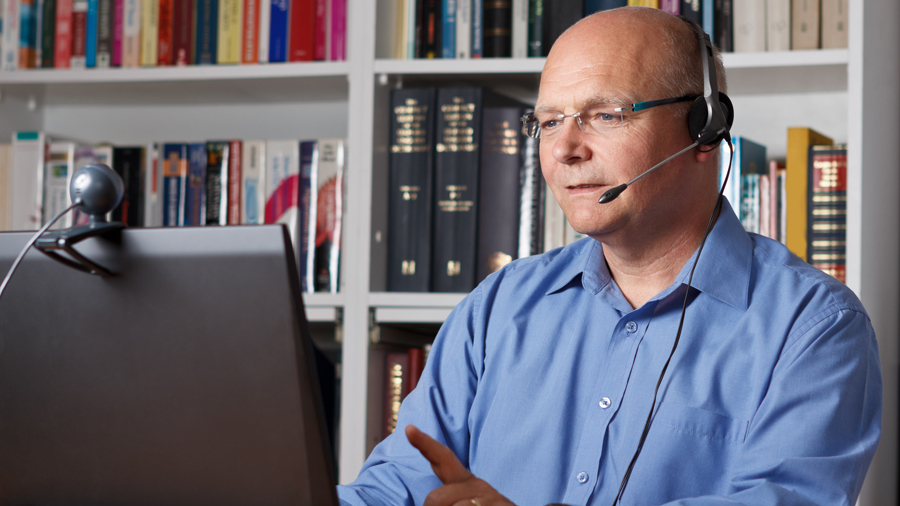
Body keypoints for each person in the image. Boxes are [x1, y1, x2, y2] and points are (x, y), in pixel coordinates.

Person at [338, 7, 882, 506]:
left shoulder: (816, 327)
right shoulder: (497, 307)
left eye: (605, 115)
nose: (564, 149)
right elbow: (390, 490)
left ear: (705, 128)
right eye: (549, 121)